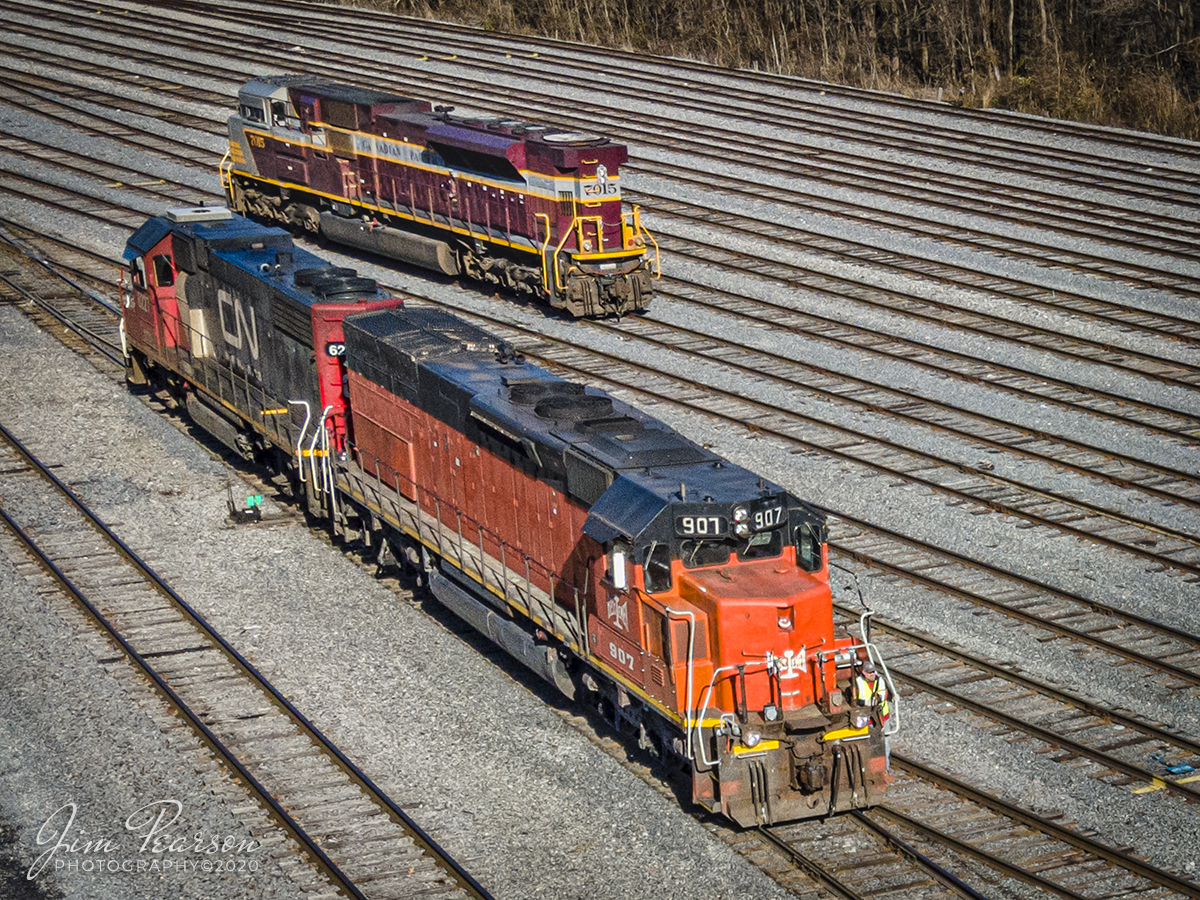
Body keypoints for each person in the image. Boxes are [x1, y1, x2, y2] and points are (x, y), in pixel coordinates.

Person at [855, 662, 891, 767]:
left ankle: (886, 769)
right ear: (864, 673)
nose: (873, 674)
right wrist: (864, 703)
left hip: (882, 717)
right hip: (868, 720)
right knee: (870, 746)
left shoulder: (880, 681)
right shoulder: (858, 682)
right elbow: (855, 700)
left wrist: (876, 700)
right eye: (870, 673)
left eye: (873, 672)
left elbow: (883, 695)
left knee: (885, 745)